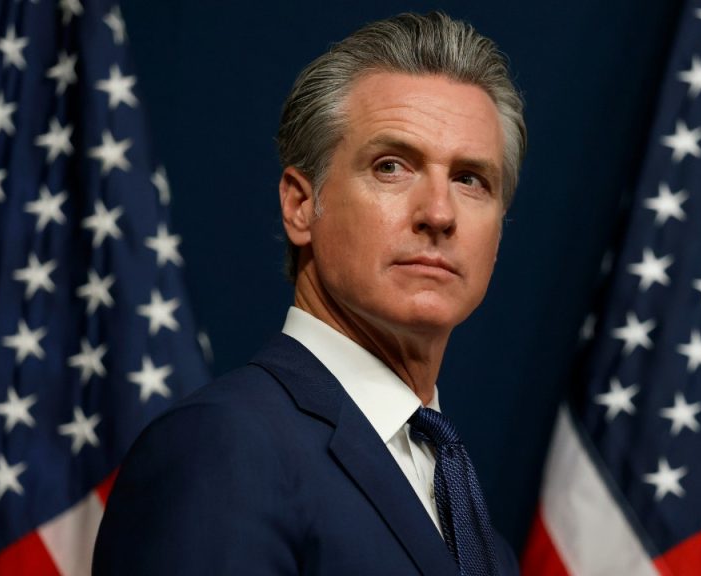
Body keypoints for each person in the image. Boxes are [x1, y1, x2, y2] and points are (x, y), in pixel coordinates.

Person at [93, 11, 526, 575]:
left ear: (498, 234)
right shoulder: (222, 448)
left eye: (470, 179)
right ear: (301, 205)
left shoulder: (484, 541)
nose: (439, 214)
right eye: (392, 166)